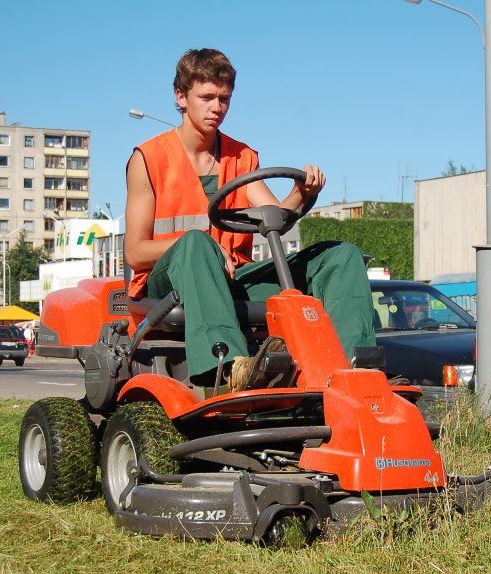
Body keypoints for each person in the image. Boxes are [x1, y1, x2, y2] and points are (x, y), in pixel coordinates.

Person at [124, 48, 376, 389]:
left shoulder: (242, 157)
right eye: (207, 97)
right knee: (197, 243)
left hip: (232, 279)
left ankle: (353, 373)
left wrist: (304, 192)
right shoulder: (149, 158)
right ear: (181, 96)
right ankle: (231, 368)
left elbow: (275, 219)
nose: (217, 108)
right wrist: (206, 249)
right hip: (168, 285)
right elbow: (135, 252)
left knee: (340, 256)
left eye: (224, 99)